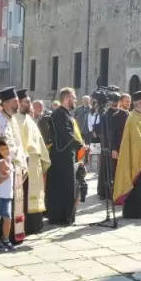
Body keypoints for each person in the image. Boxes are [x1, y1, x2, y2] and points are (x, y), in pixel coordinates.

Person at [113, 90, 141, 219]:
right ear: (139, 103)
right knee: (137, 184)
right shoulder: (132, 118)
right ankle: (136, 211)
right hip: (135, 157)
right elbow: (136, 140)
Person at [46, 88, 85, 225]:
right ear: (67, 98)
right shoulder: (59, 115)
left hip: (67, 155)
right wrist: (80, 145)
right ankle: (59, 216)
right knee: (61, 186)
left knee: (68, 186)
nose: (75, 101)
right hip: (60, 156)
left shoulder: (66, 114)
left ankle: (66, 214)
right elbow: (66, 134)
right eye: (74, 98)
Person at [0, 87, 27, 244]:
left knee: (12, 204)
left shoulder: (12, 119)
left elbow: (17, 143)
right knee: (2, 204)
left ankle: (10, 236)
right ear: (6, 103)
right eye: (15, 102)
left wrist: (23, 161)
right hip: (4, 169)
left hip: (16, 168)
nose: (18, 104)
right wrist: (3, 164)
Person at [16, 89, 50, 235]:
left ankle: (34, 224)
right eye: (27, 102)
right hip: (25, 163)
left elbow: (39, 140)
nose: (30, 105)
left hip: (35, 163)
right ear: (19, 103)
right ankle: (23, 226)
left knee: (35, 194)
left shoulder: (29, 119)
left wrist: (44, 159)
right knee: (24, 196)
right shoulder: (15, 119)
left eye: (30, 102)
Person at [0, 137, 15, 252]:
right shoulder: (1, 162)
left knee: (7, 217)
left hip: (7, 195)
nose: (6, 151)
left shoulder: (9, 161)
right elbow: (4, 176)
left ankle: (5, 239)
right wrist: (5, 177)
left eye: (7, 148)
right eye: (3, 149)